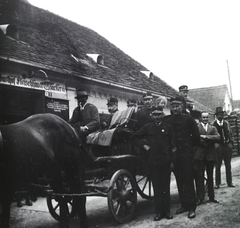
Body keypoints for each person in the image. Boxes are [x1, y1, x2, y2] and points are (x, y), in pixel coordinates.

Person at [132, 106, 177, 221]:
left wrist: (172, 161)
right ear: (152, 116)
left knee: (165, 188)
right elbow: (134, 137)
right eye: (155, 114)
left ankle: (167, 211)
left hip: (166, 162)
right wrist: (144, 145)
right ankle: (158, 212)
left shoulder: (168, 127)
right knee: (157, 188)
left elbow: (173, 146)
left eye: (159, 114)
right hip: (153, 163)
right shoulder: (147, 127)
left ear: (162, 115)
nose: (157, 117)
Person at [166, 96, 200, 219]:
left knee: (188, 179)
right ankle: (184, 205)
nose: (175, 108)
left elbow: (196, 138)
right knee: (179, 180)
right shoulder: (168, 121)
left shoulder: (189, 120)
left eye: (177, 106)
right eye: (173, 106)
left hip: (186, 154)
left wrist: (189, 148)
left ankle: (192, 207)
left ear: (182, 107)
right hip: (175, 156)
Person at [194, 111, 220, 205]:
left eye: (206, 117)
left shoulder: (212, 127)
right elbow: (194, 138)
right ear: (201, 118)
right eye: (203, 117)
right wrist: (206, 140)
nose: (205, 119)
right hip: (200, 156)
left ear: (209, 118)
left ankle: (211, 196)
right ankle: (200, 198)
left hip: (210, 155)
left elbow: (218, 137)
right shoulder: (197, 127)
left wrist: (206, 137)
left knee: (210, 176)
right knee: (199, 177)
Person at [213, 107, 235, 189]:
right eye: (218, 114)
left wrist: (231, 143)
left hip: (227, 146)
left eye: (221, 114)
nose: (220, 116)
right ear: (216, 115)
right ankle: (217, 183)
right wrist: (216, 145)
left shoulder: (226, 123)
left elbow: (231, 133)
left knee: (228, 165)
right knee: (218, 166)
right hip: (219, 147)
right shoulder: (213, 124)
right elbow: (212, 137)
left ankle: (229, 182)